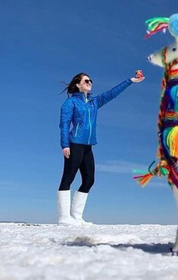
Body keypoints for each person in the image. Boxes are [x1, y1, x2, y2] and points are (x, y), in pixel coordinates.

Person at [57, 71, 145, 225]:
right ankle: (64, 218)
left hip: (88, 146)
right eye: (86, 81)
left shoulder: (94, 102)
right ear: (78, 85)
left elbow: (112, 93)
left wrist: (130, 80)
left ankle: (76, 217)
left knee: (89, 179)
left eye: (90, 80)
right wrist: (65, 145)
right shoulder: (70, 103)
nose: (90, 83)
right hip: (74, 143)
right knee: (68, 178)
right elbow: (64, 125)